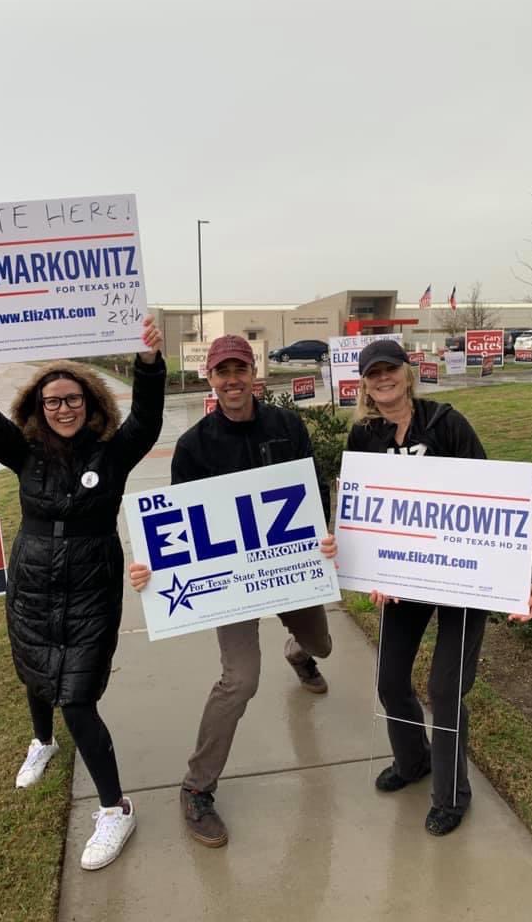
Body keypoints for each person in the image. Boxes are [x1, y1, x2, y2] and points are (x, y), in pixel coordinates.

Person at [0, 315, 165, 871]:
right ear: (38, 407)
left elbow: (149, 419)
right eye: (53, 400)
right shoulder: (24, 453)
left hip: (90, 583)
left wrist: (149, 363)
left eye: (73, 398)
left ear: (92, 403)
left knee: (78, 698)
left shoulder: (112, 453)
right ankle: (42, 741)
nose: (63, 408)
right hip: (33, 580)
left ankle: (115, 807)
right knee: (33, 669)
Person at [129, 334, 337, 847]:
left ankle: (298, 653)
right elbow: (179, 527)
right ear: (210, 379)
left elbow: (311, 493)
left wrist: (325, 536)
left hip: (290, 570)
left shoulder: (287, 427)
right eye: (222, 372)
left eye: (239, 369)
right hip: (233, 585)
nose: (232, 380)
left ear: (254, 373)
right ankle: (197, 788)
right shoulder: (194, 446)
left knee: (323, 645)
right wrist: (152, 568)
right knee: (240, 680)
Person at [346, 339, 532, 836]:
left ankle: (451, 796)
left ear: (407, 373)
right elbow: (361, 514)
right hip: (404, 579)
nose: (382, 379)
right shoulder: (365, 436)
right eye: (373, 374)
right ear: (365, 384)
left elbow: (497, 502)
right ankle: (413, 761)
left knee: (444, 688)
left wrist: (522, 577)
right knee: (391, 681)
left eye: (390, 370)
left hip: (460, 575)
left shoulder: (448, 424)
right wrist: (372, 574)